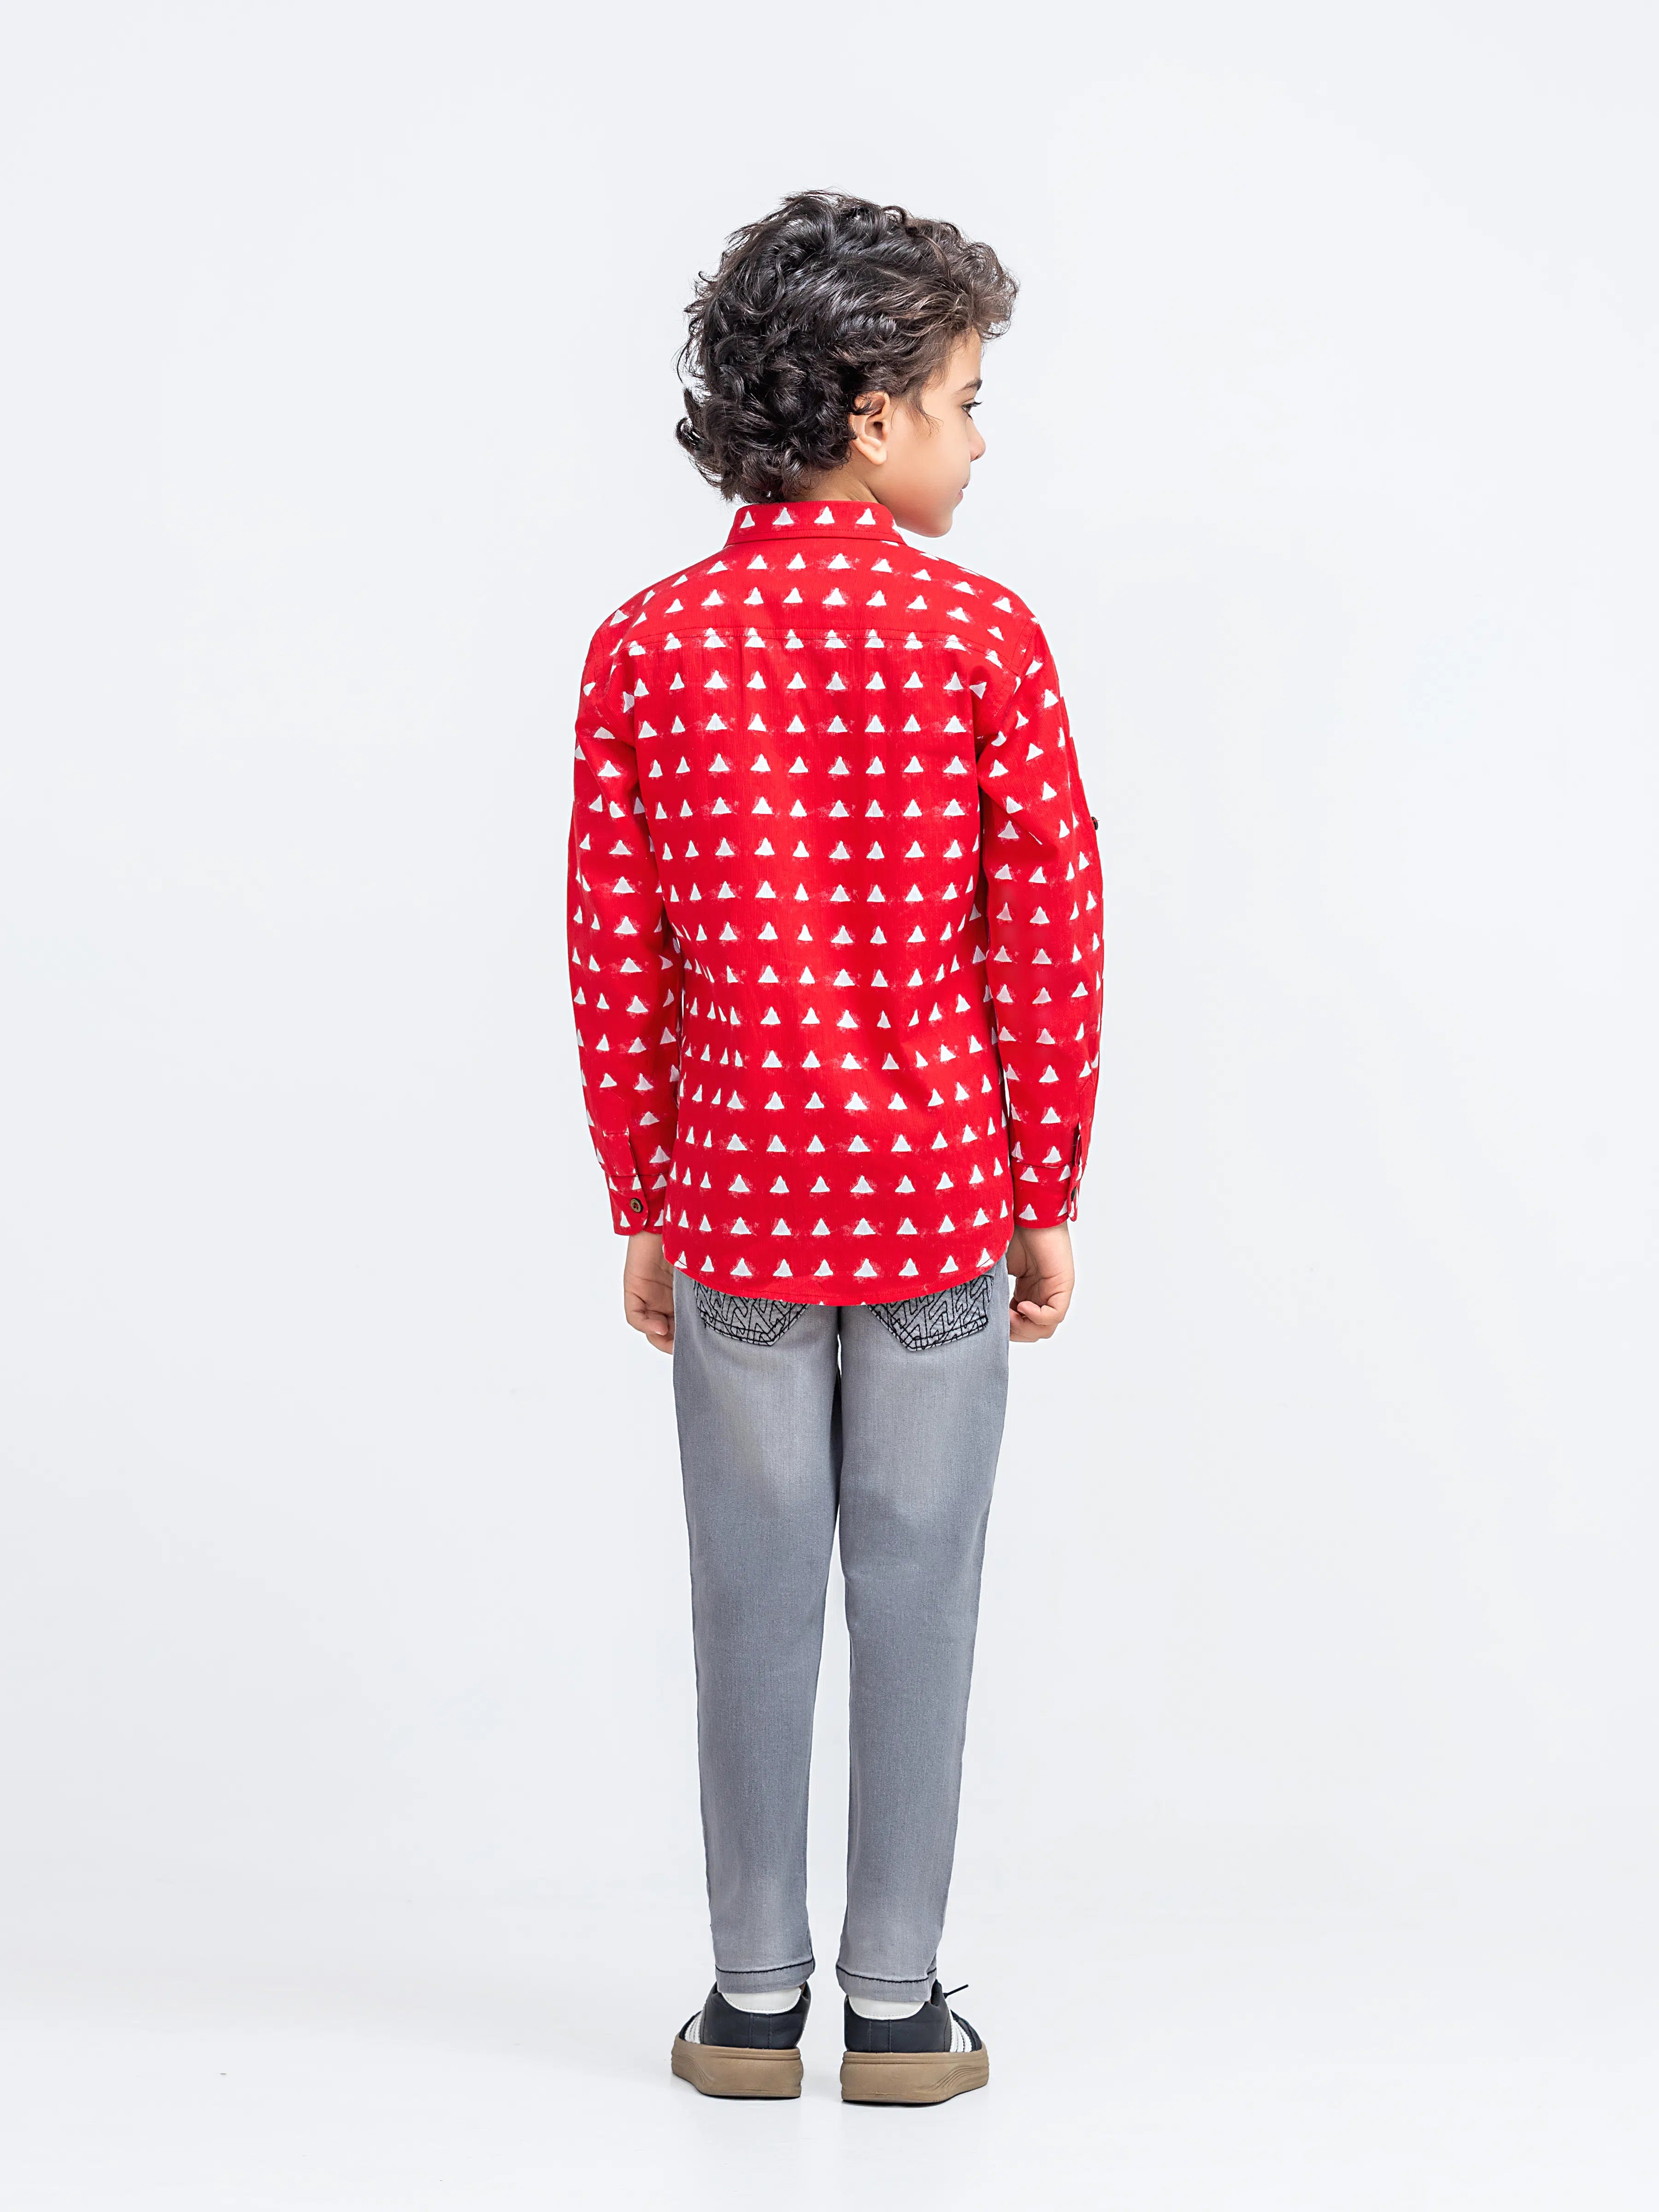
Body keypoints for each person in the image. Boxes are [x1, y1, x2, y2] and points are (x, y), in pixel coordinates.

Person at [565, 189, 1104, 2105]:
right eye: (966, 399)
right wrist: (1046, 1190)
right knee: (921, 1594)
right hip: (944, 1198)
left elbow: (616, 952)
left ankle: (746, 2006)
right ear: (874, 415)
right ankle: (895, 2009)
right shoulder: (983, 638)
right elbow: (1047, 938)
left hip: (737, 1208)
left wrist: (644, 1196)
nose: (978, 439)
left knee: (750, 1599)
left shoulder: (647, 648)